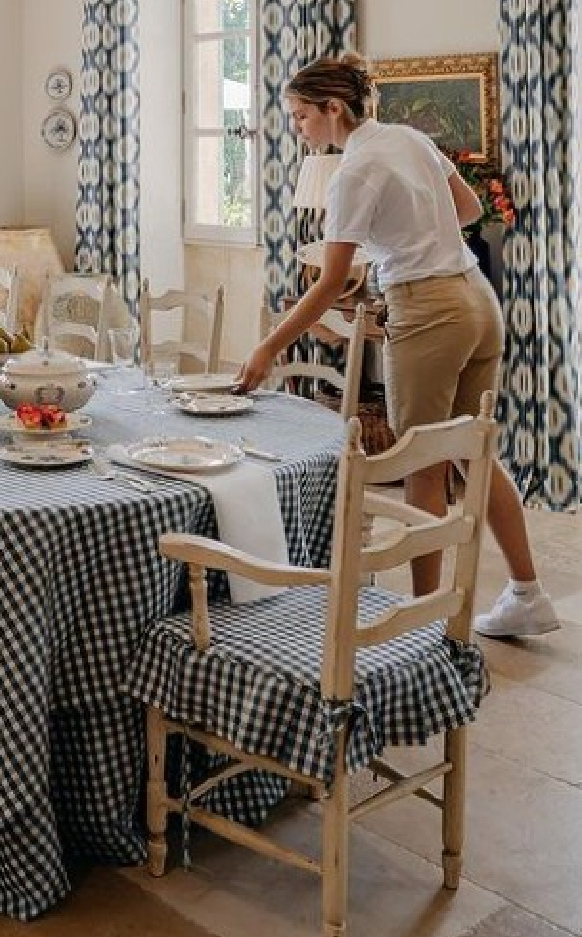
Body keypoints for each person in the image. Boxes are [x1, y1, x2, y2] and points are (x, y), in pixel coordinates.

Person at [236, 53, 558, 640]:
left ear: (333, 109)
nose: (297, 128)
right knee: (473, 452)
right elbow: (468, 208)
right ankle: (526, 594)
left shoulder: (353, 172)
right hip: (476, 298)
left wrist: (266, 348)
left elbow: (329, 283)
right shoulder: (408, 138)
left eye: (301, 116)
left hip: (429, 310)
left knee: (422, 463)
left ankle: (425, 621)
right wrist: (414, 238)